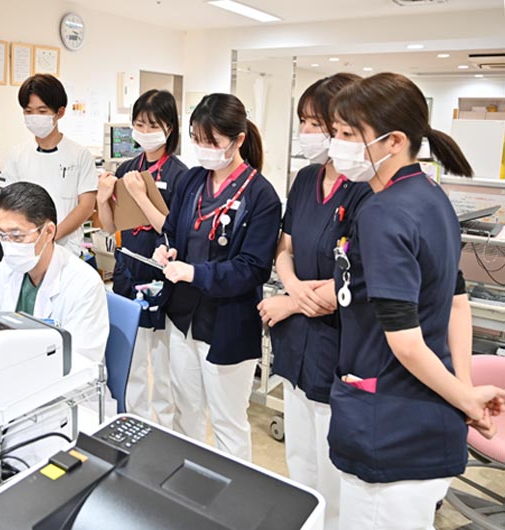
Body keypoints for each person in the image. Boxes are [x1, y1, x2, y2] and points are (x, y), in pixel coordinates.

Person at [324, 72, 505, 529]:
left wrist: (465, 400)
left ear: (394, 140)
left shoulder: (387, 213)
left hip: (390, 424)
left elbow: (405, 343)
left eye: (348, 134)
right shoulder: (431, 197)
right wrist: (462, 392)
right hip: (424, 417)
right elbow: (456, 302)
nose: (337, 144)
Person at [257, 73, 367, 530]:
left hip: (336, 346)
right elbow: (285, 247)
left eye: (320, 124)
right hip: (297, 340)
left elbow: (354, 278)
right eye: (303, 121)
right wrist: (292, 288)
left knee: (333, 472)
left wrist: (289, 302)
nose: (311, 133)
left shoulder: (365, 189)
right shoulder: (304, 180)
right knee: (300, 460)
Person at [152, 93, 281, 461]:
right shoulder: (193, 181)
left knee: (227, 421)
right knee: (185, 411)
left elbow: (253, 267)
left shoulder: (261, 196)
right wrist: (169, 250)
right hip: (183, 318)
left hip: (228, 324)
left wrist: (193, 272)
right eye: (196, 139)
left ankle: (232, 507)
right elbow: (175, 231)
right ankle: (185, 485)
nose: (202, 149)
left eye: (212, 142)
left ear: (238, 140)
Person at [96, 89, 188, 427]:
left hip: (161, 278)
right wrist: (104, 200)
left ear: (170, 128)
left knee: (160, 370)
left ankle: (162, 431)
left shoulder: (181, 174)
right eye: (138, 124)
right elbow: (111, 228)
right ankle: (130, 424)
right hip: (127, 271)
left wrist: (139, 194)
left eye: (153, 125)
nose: (144, 131)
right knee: (131, 363)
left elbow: (173, 230)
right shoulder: (126, 167)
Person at [0, 181, 108, 362]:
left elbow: (80, 360)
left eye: (17, 236)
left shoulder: (84, 283)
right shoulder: (8, 267)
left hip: (66, 384)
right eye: (2, 235)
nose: (8, 244)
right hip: (11, 369)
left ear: (49, 231)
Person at [0, 74, 97, 256]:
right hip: (26, 248)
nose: (34, 117)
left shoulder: (80, 155)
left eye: (42, 111)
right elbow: (7, 201)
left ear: (59, 112)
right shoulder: (17, 154)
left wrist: (51, 235)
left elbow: (86, 207)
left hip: (67, 249)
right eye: (28, 111)